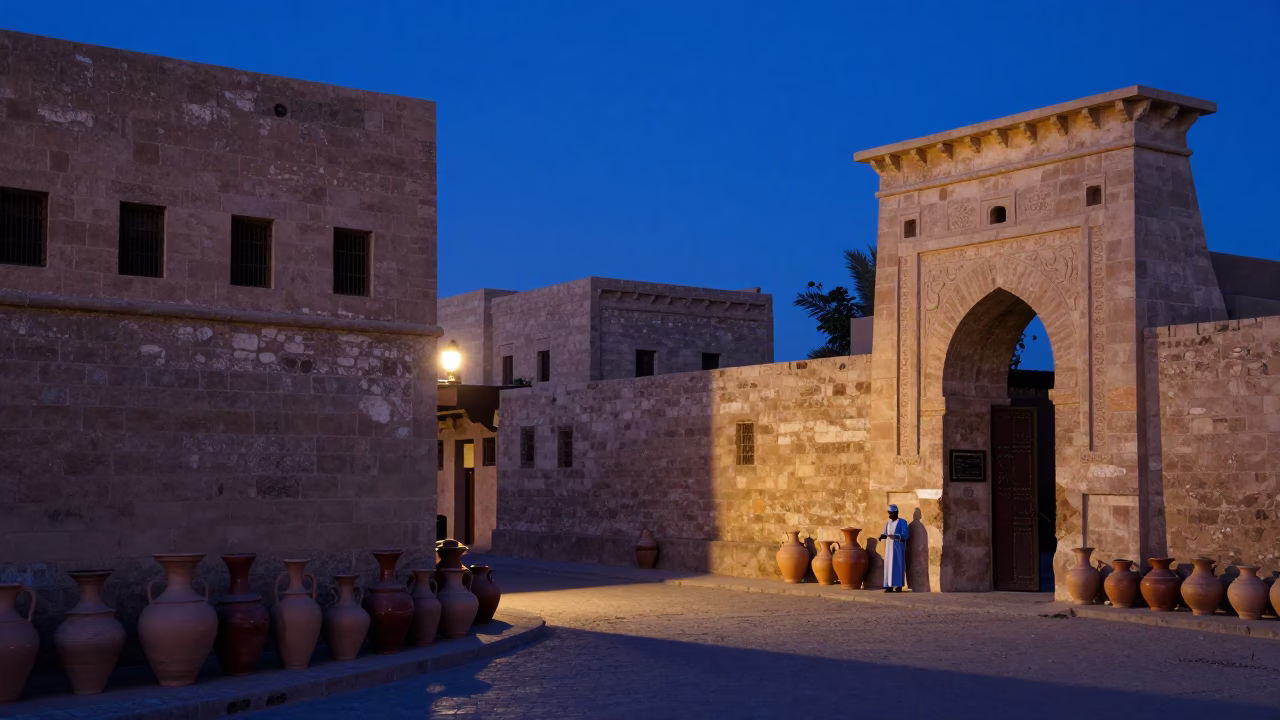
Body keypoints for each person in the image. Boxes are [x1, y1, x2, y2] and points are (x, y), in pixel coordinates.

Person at [879, 504, 909, 592]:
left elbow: (906, 534)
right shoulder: (887, 523)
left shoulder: (902, 522)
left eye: (891, 513)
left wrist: (896, 536)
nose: (890, 515)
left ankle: (898, 585)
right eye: (889, 513)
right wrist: (882, 536)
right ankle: (889, 586)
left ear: (896, 513)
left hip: (898, 547)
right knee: (889, 565)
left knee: (898, 565)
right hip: (888, 547)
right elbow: (885, 533)